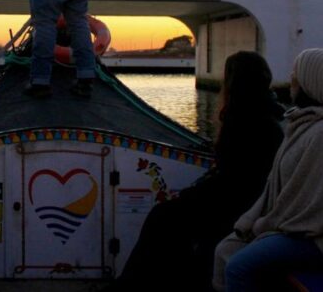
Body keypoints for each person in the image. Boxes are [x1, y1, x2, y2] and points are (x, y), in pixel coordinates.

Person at [107, 51, 285, 291]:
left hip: (236, 206)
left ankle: (128, 285)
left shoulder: (246, 122)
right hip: (242, 201)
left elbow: (231, 181)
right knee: (168, 218)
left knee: (164, 217)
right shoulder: (265, 118)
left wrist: (190, 196)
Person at [213, 48, 323, 291]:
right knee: (225, 249)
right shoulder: (302, 125)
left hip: (322, 240)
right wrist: (252, 219)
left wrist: (264, 225)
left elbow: (313, 207)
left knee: (238, 266)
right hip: (296, 229)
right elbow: (275, 187)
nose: (292, 81)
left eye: (297, 77)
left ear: (312, 82)